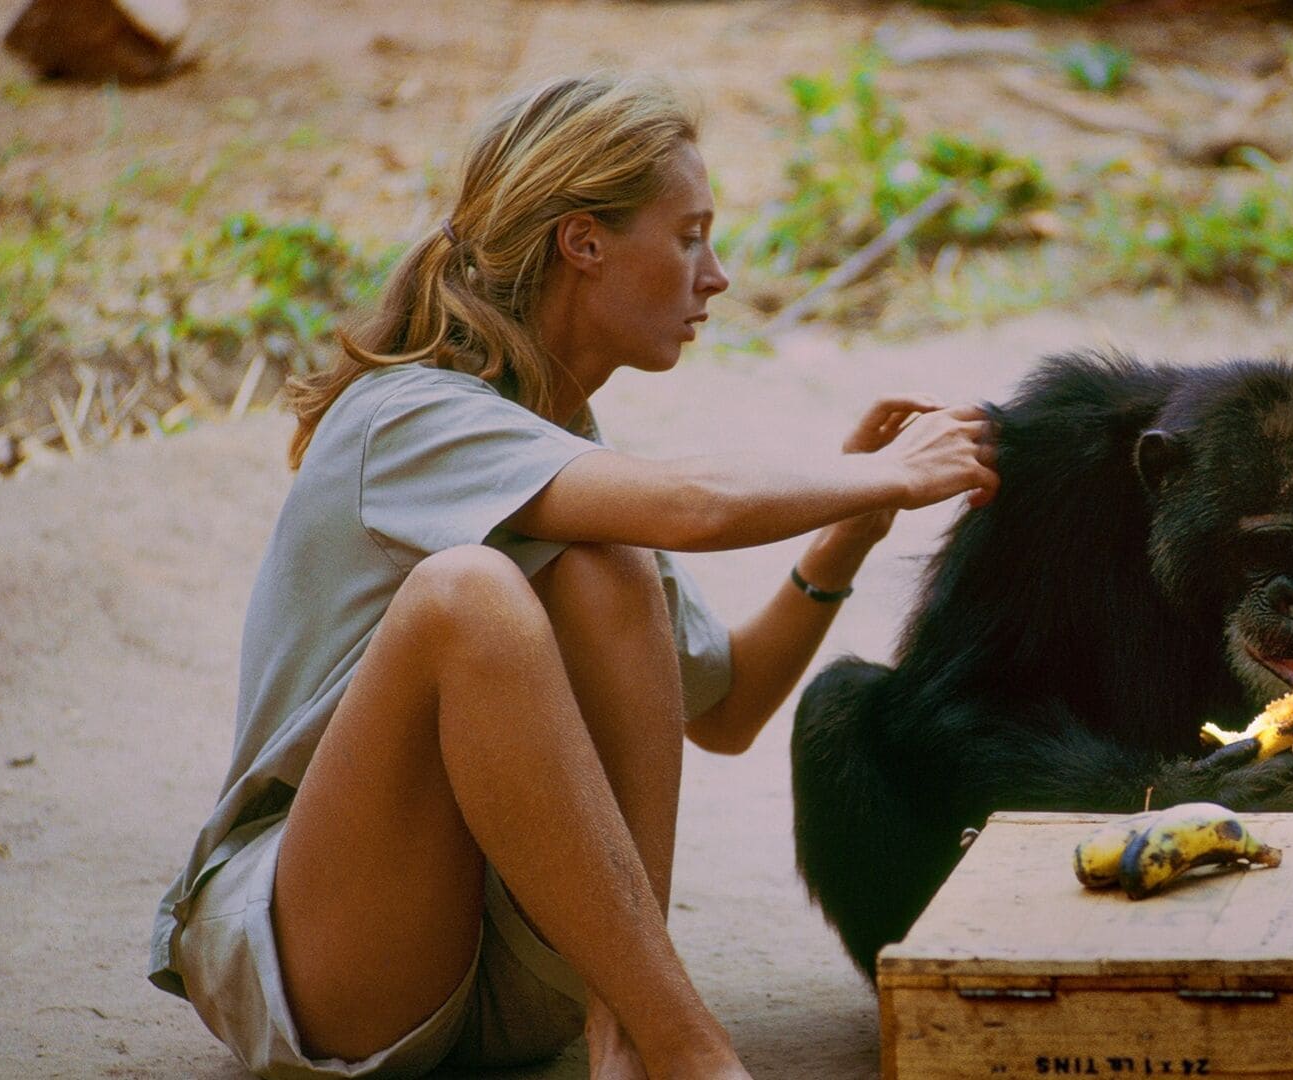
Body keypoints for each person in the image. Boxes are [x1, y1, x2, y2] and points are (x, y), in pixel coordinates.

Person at [148, 73, 999, 1080]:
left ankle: (625, 1032)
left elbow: (724, 710)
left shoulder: (560, 454)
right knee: (470, 596)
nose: (715, 276)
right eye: (689, 237)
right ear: (583, 241)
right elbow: (696, 503)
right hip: (333, 968)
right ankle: (681, 1045)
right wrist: (884, 469)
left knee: (606, 567)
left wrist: (855, 524)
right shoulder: (406, 416)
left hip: (508, 986)